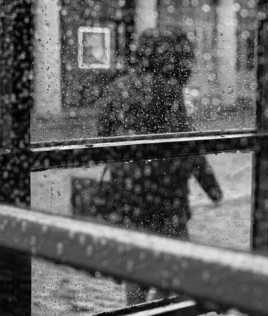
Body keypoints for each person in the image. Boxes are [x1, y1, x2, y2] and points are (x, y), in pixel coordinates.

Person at [95, 27, 223, 305]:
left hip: (128, 194)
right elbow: (185, 146)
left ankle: (140, 309)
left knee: (136, 270)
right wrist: (211, 186)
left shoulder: (117, 87)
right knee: (176, 266)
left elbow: (101, 135)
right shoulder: (169, 89)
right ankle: (165, 307)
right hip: (166, 196)